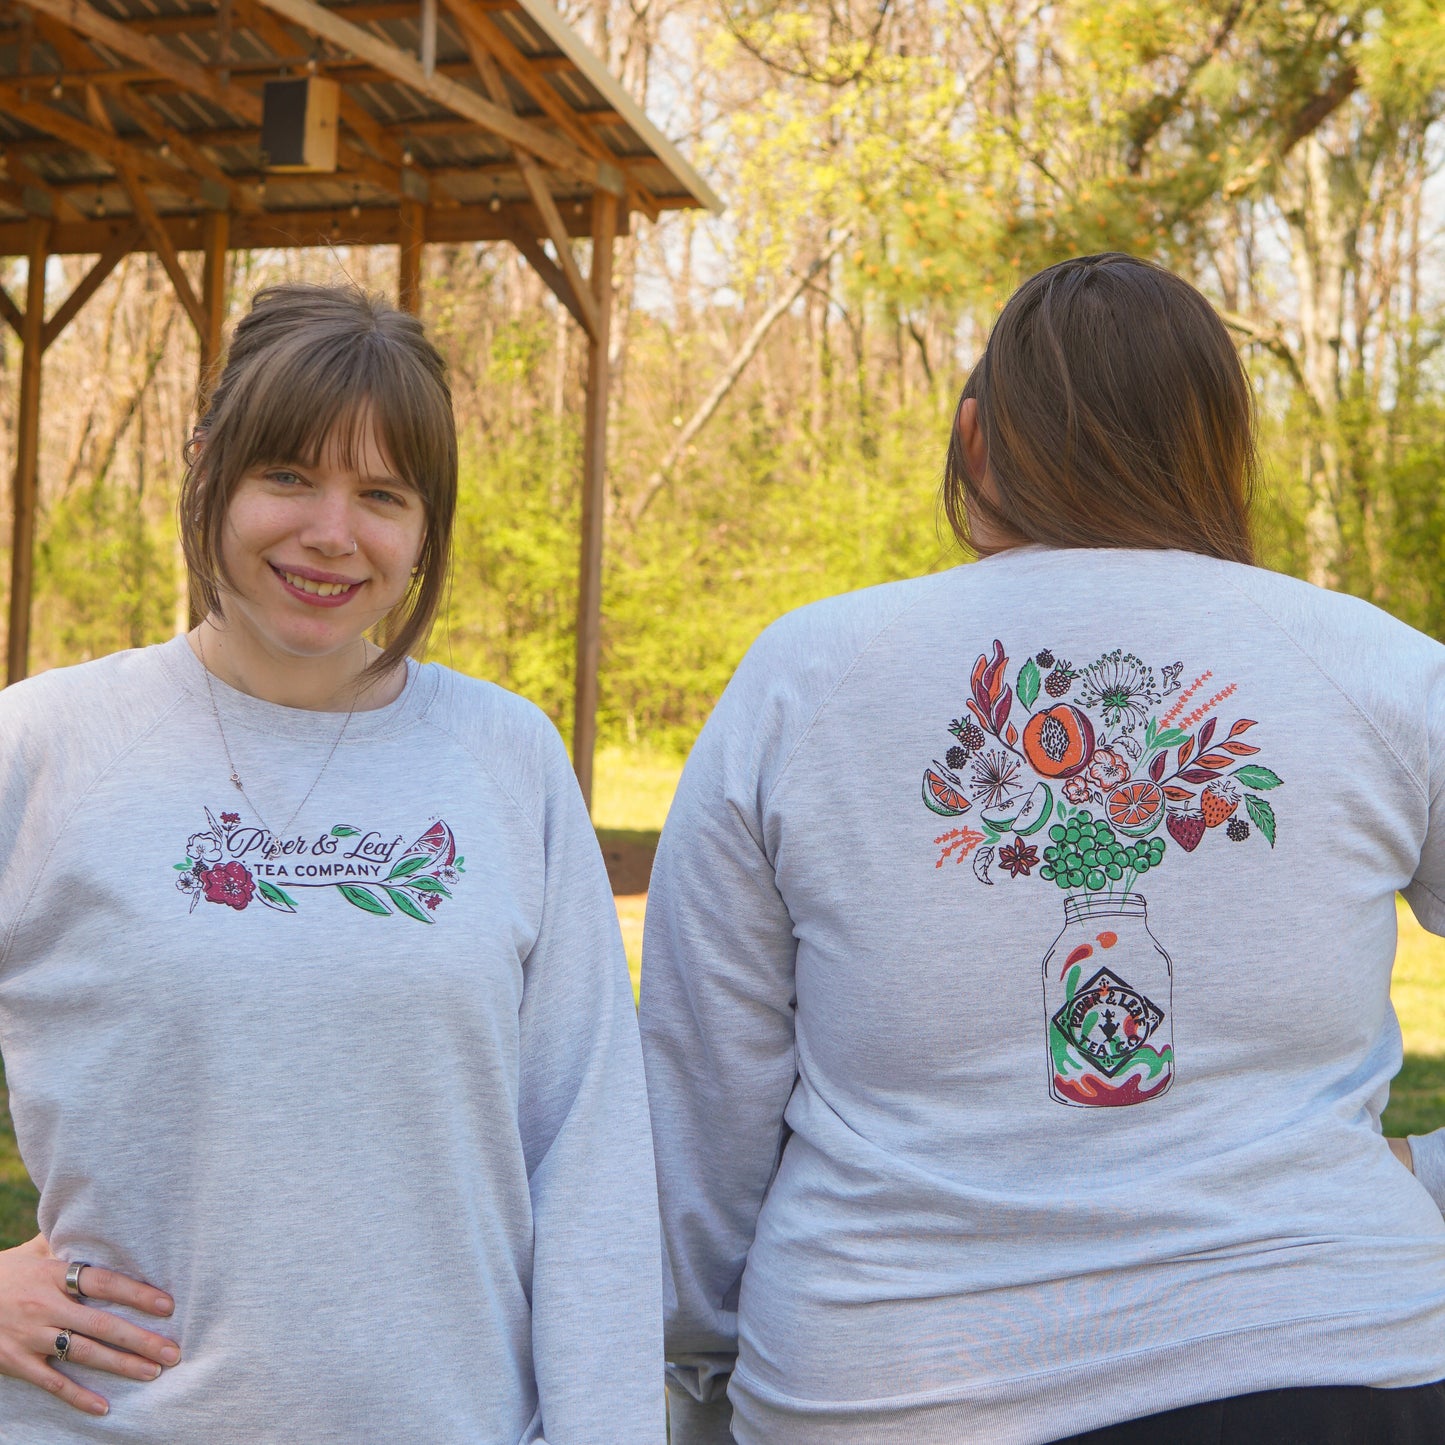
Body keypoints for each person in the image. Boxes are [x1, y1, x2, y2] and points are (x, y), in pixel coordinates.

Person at [639, 253, 1445, 1443]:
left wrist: (699, 1349)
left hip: (889, 1383)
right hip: (1330, 1364)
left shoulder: (804, 678)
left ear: (973, 440)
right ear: (1221, 450)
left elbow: (703, 1080)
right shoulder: (1378, 670)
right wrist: (1416, 1182)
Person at [0, 282, 663, 1443]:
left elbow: (589, 1154)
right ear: (208, 466)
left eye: (382, 495)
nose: (331, 532)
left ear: (425, 526)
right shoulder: (46, 745)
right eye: (289, 476)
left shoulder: (504, 758)